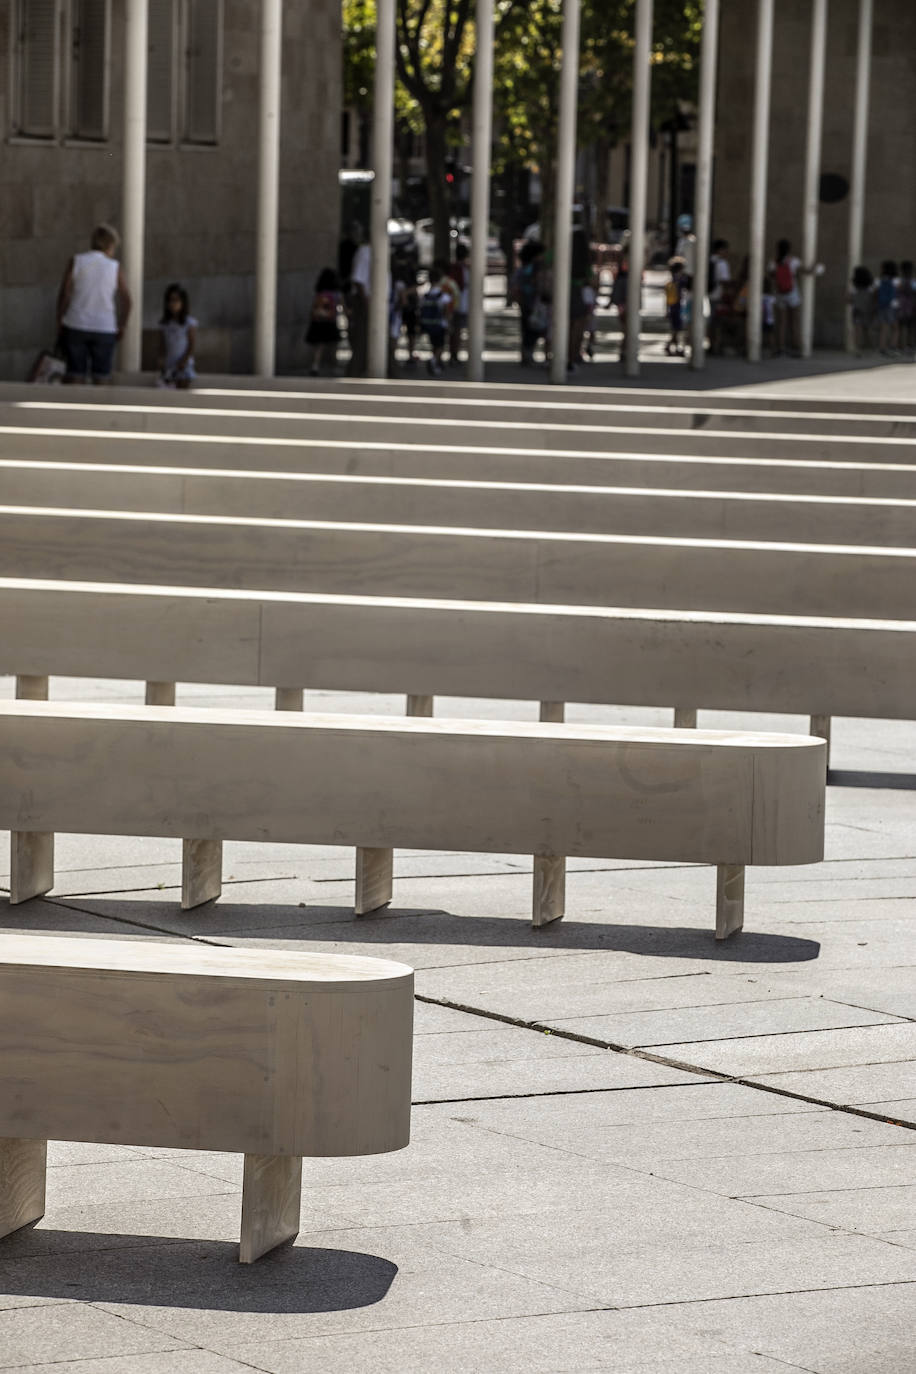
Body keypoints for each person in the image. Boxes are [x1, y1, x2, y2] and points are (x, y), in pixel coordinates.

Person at [56, 224, 131, 384]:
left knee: (75, 374)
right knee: (102, 377)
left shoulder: (76, 261)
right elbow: (127, 299)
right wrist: (122, 325)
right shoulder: (114, 267)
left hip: (76, 323)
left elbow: (65, 293)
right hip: (104, 326)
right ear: (110, 245)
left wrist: (59, 319)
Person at [157, 283, 197, 388]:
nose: (172, 304)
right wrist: (161, 359)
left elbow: (191, 345)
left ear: (183, 302)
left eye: (176, 300)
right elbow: (162, 344)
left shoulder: (189, 323)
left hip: (184, 366)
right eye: (170, 300)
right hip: (169, 366)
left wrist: (184, 361)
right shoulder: (165, 324)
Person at [304, 267, 342, 376]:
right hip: (330, 322)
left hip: (319, 322)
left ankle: (315, 365)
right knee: (333, 345)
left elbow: (314, 308)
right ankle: (334, 367)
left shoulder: (320, 293)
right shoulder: (336, 294)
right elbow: (341, 306)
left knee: (319, 346)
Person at [770, 238, 804, 355]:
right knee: (794, 322)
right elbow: (803, 271)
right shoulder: (794, 261)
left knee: (781, 322)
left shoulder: (774, 262)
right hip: (792, 293)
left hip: (779, 294)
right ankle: (796, 347)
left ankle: (780, 347)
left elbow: (771, 277)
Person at [513, 240, 545, 366]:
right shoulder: (533, 268)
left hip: (526, 301)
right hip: (531, 301)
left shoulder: (524, 268)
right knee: (531, 329)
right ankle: (527, 354)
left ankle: (526, 354)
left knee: (527, 328)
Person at [346, 227, 371, 376]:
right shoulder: (364, 252)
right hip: (364, 302)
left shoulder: (374, 251)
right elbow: (358, 280)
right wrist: (366, 302)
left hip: (373, 302)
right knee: (361, 339)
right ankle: (354, 372)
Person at [419, 265, 451, 375]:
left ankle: (436, 364)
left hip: (429, 324)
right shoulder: (443, 295)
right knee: (441, 346)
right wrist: (448, 322)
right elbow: (447, 311)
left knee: (434, 345)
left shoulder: (426, 294)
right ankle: (433, 361)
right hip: (440, 324)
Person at [447, 243, 470, 365]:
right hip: (459, 302)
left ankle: (454, 353)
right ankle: (454, 353)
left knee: (456, 330)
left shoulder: (461, 268)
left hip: (460, 302)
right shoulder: (459, 268)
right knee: (456, 330)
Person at [848, 265, 875, 355]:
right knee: (867, 329)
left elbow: (848, 300)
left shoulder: (854, 288)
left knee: (857, 329)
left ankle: (858, 348)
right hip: (868, 310)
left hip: (857, 310)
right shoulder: (870, 287)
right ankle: (869, 347)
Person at [875, 260, 899, 355]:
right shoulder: (895, 281)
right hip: (890, 306)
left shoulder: (880, 280)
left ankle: (882, 348)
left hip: (881, 305)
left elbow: (876, 293)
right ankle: (892, 347)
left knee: (884, 327)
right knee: (895, 328)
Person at [664, 256, 686, 356]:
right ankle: (673, 347)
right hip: (678, 307)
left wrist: (666, 310)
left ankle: (673, 347)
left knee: (676, 329)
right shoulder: (680, 281)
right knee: (677, 329)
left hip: (672, 307)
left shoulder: (671, 281)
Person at [897, 260, 916, 356]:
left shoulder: (899, 282)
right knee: (910, 328)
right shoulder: (913, 282)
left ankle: (903, 346)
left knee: (903, 328)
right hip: (911, 307)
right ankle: (910, 346)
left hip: (902, 308)